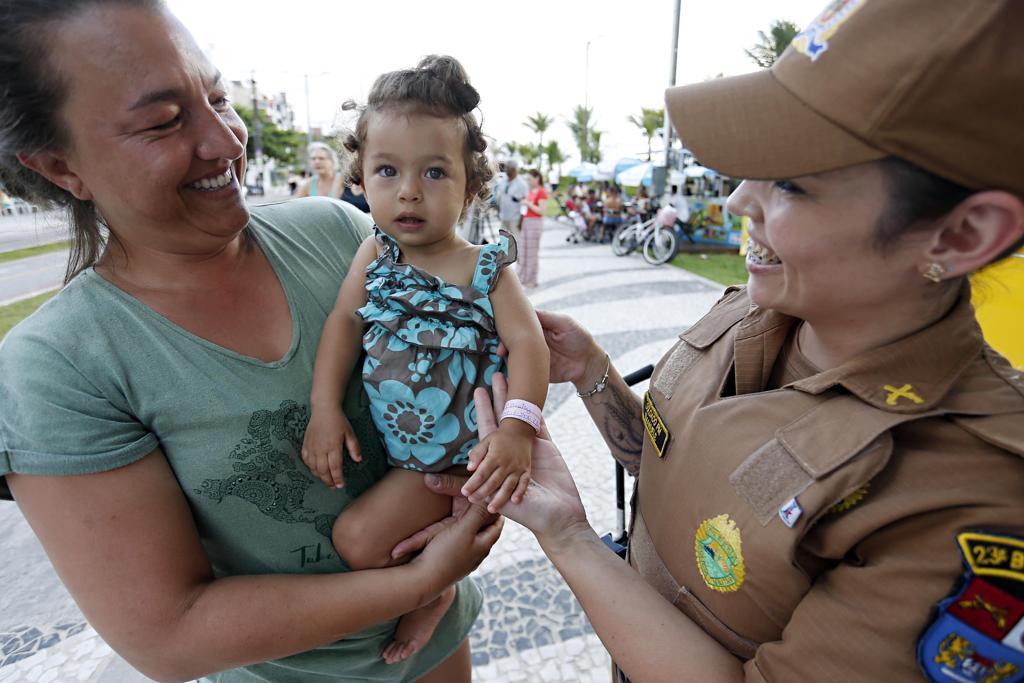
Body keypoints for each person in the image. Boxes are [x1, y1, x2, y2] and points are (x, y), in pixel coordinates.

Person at [408, 1, 1024, 681]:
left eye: (792, 182)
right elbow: (683, 462)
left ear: (961, 234)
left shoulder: (973, 494)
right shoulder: (762, 311)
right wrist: (592, 374)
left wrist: (571, 538)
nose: (739, 202)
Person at [0, 3, 500, 682]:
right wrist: (419, 583)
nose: (226, 140)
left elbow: (468, 382)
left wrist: (474, 500)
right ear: (61, 166)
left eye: (217, 96)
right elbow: (166, 633)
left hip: (439, 647)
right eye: (164, 121)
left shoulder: (337, 235)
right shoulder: (58, 366)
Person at [301, 55, 549, 666]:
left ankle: (436, 589)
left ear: (473, 185)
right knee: (359, 535)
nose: (408, 190)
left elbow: (530, 344)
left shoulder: (485, 267)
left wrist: (518, 428)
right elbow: (345, 323)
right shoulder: (373, 255)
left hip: (459, 460)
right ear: (361, 176)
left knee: (357, 540)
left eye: (435, 172)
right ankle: (435, 576)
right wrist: (323, 407)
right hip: (403, 450)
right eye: (388, 170)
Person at [518, 169, 547, 288]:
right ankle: (523, 278)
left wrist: (528, 203)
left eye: (530, 179)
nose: (528, 182)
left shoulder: (542, 192)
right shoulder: (531, 191)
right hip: (527, 222)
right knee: (524, 251)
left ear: (537, 178)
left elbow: (542, 211)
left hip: (535, 223)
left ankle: (531, 279)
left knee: (532, 253)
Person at [496, 158, 528, 240]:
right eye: (506, 168)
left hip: (515, 219)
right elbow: (501, 197)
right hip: (504, 217)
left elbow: (525, 204)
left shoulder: (522, 184)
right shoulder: (503, 180)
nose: (506, 170)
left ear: (514, 169)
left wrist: (521, 221)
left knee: (514, 243)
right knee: (503, 242)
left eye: (508, 168)